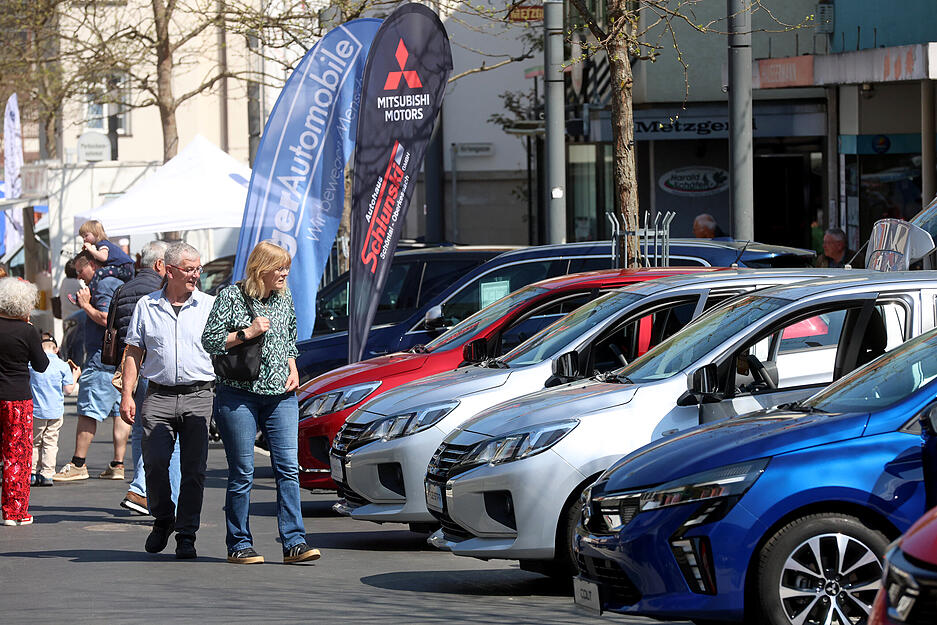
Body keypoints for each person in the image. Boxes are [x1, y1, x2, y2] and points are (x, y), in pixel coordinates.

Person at [202, 240, 319, 565]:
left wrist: (293, 369)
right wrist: (247, 333)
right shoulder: (231, 296)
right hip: (239, 394)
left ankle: (294, 542)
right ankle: (239, 544)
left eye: (287, 268)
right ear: (261, 269)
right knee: (243, 472)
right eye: (279, 268)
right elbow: (210, 341)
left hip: (281, 396)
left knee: (288, 469)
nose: (285, 273)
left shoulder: (284, 297)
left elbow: (289, 338)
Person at [121, 242, 214, 559]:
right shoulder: (147, 306)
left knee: (194, 470)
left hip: (199, 395)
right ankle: (163, 518)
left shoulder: (209, 306)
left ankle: (187, 534)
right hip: (158, 394)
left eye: (198, 268)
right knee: (155, 463)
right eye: (189, 269)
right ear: (170, 270)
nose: (195, 274)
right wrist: (127, 394)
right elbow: (133, 351)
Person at [110, 240, 181, 516]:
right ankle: (142, 489)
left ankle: (147, 494)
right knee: (164, 434)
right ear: (160, 264)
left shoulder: (123, 288)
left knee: (141, 431)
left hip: (130, 367)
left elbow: (114, 329)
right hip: (155, 369)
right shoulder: (161, 292)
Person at [53, 250, 131, 482]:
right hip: (119, 359)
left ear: (93, 266)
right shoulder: (117, 282)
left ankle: (79, 463)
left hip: (101, 359)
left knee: (88, 412)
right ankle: (117, 464)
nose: (79, 276)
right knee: (119, 411)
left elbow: (106, 318)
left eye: (81, 271)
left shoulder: (104, 284)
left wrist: (85, 305)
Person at [0, 277, 49, 525]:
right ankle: (14, 512)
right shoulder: (28, 331)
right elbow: (42, 365)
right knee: (16, 455)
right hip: (17, 398)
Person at [29, 333, 80, 486]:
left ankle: (32, 472)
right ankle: (47, 474)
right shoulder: (62, 365)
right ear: (56, 349)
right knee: (50, 442)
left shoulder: (31, 365)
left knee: (34, 442)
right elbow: (68, 390)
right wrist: (75, 375)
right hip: (55, 411)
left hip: (36, 410)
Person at [78, 219, 135, 289]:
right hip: (126, 268)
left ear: (96, 233)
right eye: (83, 237)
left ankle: (90, 292)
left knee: (99, 273)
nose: (84, 239)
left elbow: (103, 257)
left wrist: (90, 249)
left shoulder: (102, 244)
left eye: (86, 235)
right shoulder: (102, 244)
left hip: (124, 268)